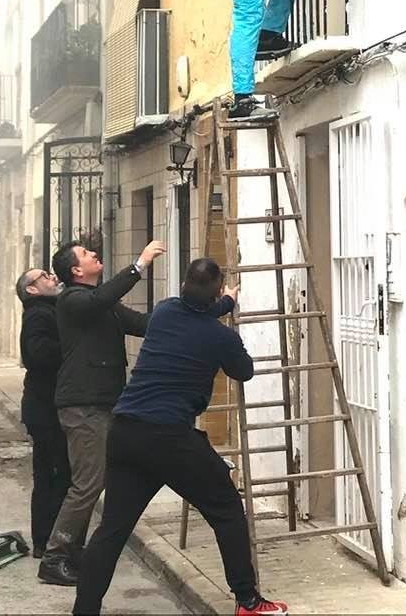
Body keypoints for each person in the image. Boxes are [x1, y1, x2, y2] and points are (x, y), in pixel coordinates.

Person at [73, 258, 288, 616]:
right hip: (169, 437)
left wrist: (226, 302)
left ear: (184, 285)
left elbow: (196, 314)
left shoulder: (164, 311)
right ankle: (248, 601)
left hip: (125, 431)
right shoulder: (220, 336)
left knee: (112, 529)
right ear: (215, 292)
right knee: (226, 509)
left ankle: (84, 610)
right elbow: (243, 371)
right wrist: (228, 316)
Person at [37, 240, 166, 586]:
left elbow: (143, 323)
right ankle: (55, 557)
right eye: (86, 254)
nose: (94, 254)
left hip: (105, 404)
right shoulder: (73, 300)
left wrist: (192, 309)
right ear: (76, 270)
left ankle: (73, 553)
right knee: (87, 485)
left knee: (98, 481)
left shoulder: (101, 304)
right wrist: (139, 265)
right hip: (83, 407)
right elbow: (98, 301)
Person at [16, 267, 71, 559]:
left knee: (52, 473)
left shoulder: (49, 309)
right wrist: (72, 346)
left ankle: (47, 539)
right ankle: (47, 541)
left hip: (46, 407)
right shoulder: (38, 313)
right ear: (32, 289)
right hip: (46, 409)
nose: (52, 278)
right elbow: (37, 354)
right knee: (54, 474)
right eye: (44, 277)